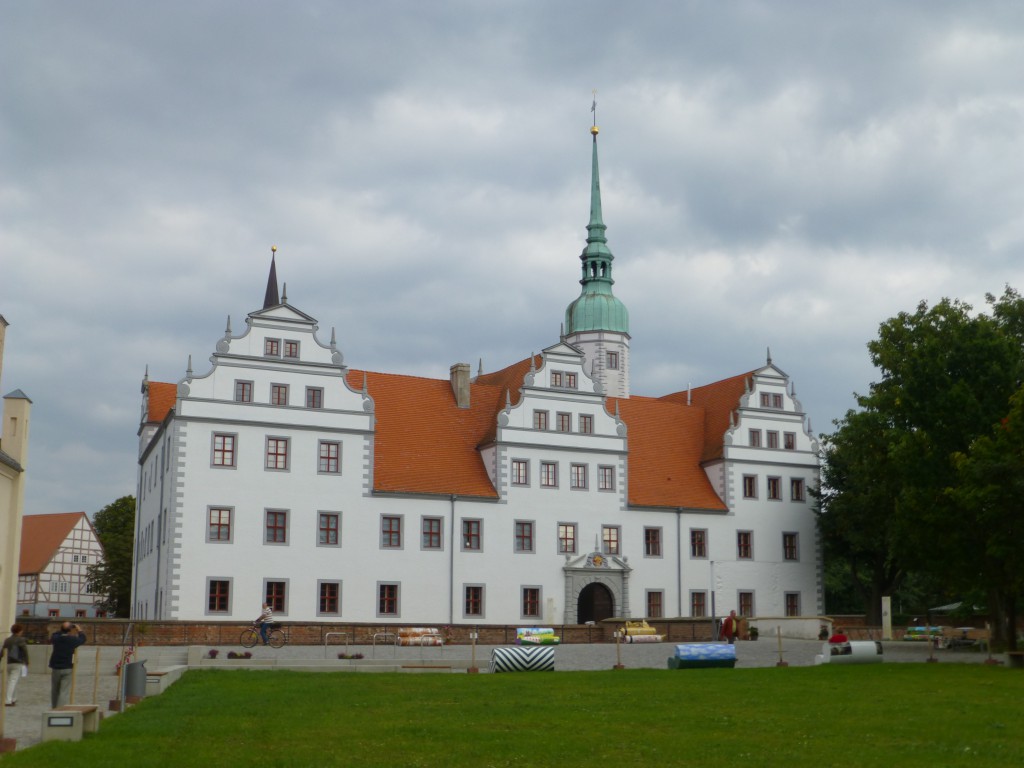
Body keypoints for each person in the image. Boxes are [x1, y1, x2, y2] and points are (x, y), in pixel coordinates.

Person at [49, 621, 87, 708]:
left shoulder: (56, 639)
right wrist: (79, 630)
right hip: (68, 667)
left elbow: (54, 634)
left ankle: (54, 707)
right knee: (64, 691)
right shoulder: (73, 640)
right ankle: (60, 708)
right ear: (70, 630)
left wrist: (63, 628)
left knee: (55, 690)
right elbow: (83, 638)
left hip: (56, 666)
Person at [2, 624, 29, 706]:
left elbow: (2, 650)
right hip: (17, 662)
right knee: (13, 681)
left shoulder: (7, 640)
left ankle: (13, 698)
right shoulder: (20, 640)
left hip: (8, 662)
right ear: (20, 631)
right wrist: (27, 661)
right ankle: (8, 700)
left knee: (12, 680)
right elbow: (24, 651)